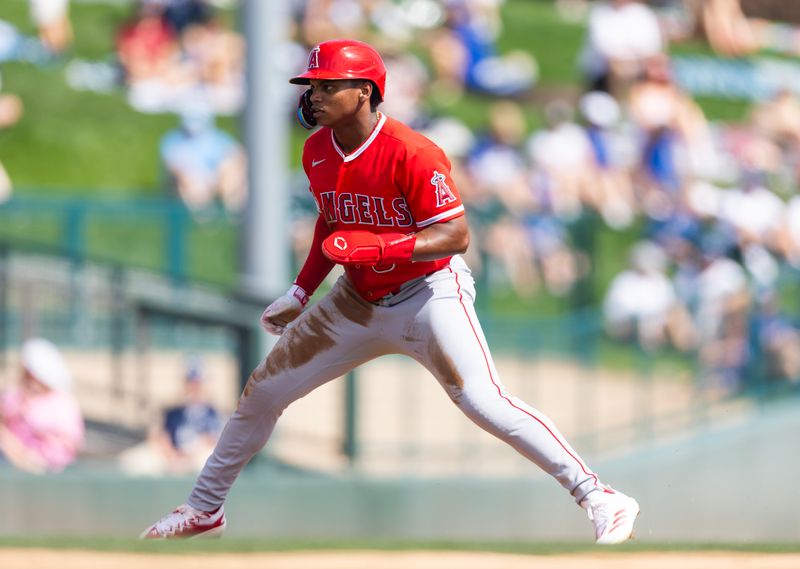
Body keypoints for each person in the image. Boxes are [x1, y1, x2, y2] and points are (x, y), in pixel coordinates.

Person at [140, 39, 640, 543]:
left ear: (364, 91)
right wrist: (300, 289)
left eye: (327, 85)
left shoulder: (411, 151)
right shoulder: (317, 150)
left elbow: (455, 235)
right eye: (311, 85)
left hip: (429, 294)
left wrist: (378, 246)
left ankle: (600, 496)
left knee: (485, 402)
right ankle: (205, 508)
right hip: (355, 300)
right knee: (262, 392)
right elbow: (331, 225)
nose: (314, 94)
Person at [118, 361, 223, 476]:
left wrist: (189, 456)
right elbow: (158, 435)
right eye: (190, 382)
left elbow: (214, 439)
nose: (193, 386)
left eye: (197, 382)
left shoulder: (212, 412)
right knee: (132, 460)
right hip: (172, 457)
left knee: (207, 460)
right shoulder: (174, 411)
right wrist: (171, 454)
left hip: (195, 458)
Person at [0, 338, 84, 473]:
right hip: (15, 464)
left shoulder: (61, 402)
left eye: (31, 375)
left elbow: (68, 441)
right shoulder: (15, 396)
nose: (29, 380)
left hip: (47, 466)